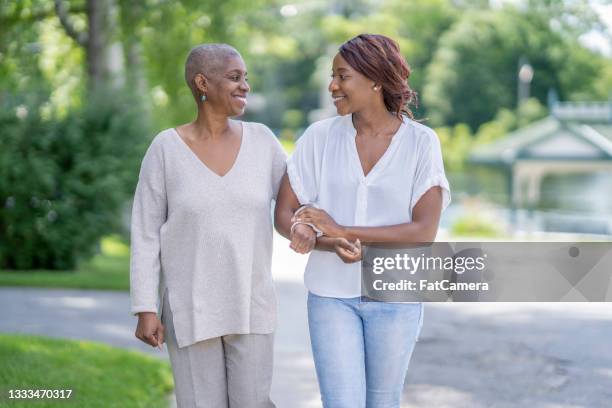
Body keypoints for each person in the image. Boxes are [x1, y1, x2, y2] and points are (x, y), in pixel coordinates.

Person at [275, 34, 451, 408]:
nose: (332, 86)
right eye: (333, 76)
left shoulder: (422, 143)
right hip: (330, 295)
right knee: (341, 402)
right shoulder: (318, 138)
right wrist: (315, 235)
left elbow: (424, 231)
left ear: (375, 79)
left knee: (383, 402)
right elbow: (285, 214)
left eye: (342, 76)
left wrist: (343, 229)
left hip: (396, 295)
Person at [130, 43, 285, 408]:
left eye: (246, 78)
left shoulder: (263, 142)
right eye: (234, 77)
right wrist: (145, 307)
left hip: (251, 303)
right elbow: (146, 233)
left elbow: (299, 203)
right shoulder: (165, 149)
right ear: (202, 82)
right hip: (190, 306)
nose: (245, 85)